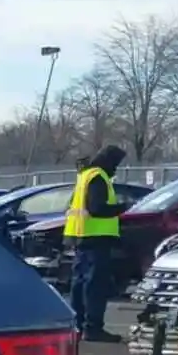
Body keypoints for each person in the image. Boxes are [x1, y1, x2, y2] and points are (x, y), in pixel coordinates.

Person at [65, 144, 126, 342]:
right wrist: (122, 208)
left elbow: (72, 206)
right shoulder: (98, 177)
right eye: (115, 164)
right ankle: (93, 328)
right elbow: (97, 208)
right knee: (95, 286)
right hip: (96, 239)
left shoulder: (85, 175)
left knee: (79, 285)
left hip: (80, 237)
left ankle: (77, 326)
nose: (116, 169)